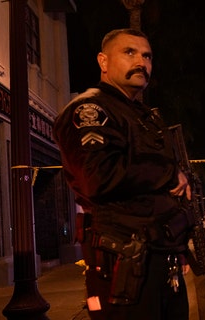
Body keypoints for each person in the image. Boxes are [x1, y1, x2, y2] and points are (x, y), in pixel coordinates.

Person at [53, 28, 194, 320]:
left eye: (147, 56)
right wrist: (169, 173)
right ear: (103, 62)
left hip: (159, 255)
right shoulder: (91, 109)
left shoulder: (141, 115)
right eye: (129, 53)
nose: (141, 62)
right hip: (124, 261)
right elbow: (98, 177)